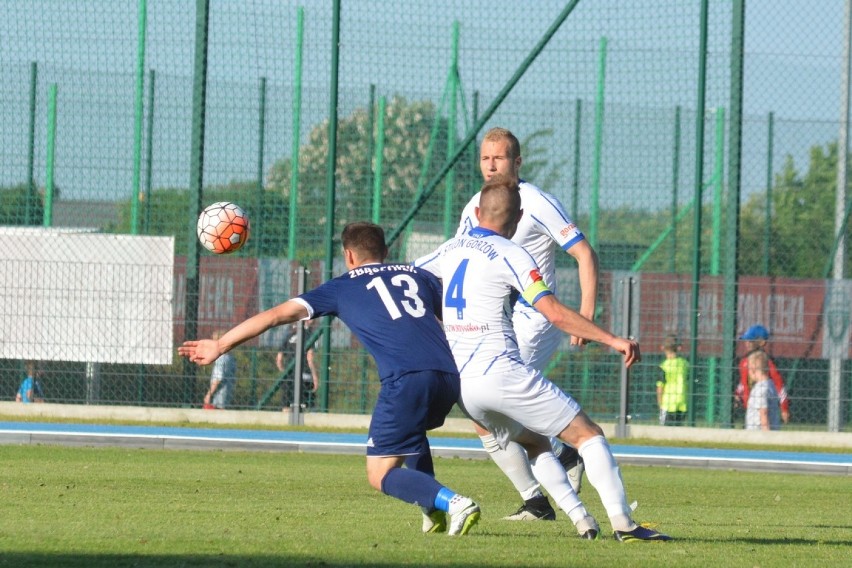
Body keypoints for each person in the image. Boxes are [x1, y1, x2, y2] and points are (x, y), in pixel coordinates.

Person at [179, 222, 480, 536]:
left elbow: (274, 316)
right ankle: (431, 509)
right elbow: (458, 316)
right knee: (412, 433)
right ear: (386, 252)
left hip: (405, 379)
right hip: (448, 374)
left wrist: (221, 344)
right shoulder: (418, 276)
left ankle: (454, 502)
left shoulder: (342, 286)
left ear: (348, 256)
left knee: (379, 474)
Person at [415, 175, 671, 542]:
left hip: (464, 387)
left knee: (535, 442)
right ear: (518, 219)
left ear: (475, 212)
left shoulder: (449, 249)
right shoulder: (512, 253)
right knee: (588, 435)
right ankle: (626, 525)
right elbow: (552, 311)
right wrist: (611, 338)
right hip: (501, 371)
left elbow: (409, 276)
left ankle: (583, 521)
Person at [454, 127, 598, 521]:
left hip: (535, 319)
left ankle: (545, 493)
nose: (491, 165)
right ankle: (553, 470)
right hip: (490, 323)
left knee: (498, 405)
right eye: (485, 158)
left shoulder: (536, 203)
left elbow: (584, 254)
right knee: (479, 413)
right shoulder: (475, 207)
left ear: (517, 162)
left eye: (499, 158)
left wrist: (583, 318)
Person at [735, 324, 789, 425]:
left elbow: (779, 386)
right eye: (746, 340)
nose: (746, 343)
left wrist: (784, 408)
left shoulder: (767, 363)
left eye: (750, 341)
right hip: (750, 409)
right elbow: (743, 382)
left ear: (761, 342)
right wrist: (737, 395)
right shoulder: (744, 362)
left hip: (765, 408)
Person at [276, 321, 320, 410]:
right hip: (305, 376)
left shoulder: (289, 336)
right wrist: (315, 377)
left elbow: (279, 359)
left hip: (289, 376)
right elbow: (310, 358)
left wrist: (284, 372)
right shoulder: (309, 335)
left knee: (286, 405)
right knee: (306, 406)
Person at [745, 351, 782, 431]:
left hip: (758, 435)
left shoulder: (760, 389)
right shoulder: (771, 385)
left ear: (753, 369)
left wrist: (766, 437)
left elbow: (763, 413)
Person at [657, 335, 688, 426]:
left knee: (664, 431)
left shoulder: (663, 366)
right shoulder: (685, 364)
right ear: (679, 348)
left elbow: (660, 386)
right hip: (682, 403)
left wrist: (660, 403)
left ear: (662, 348)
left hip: (667, 403)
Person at [203, 331, 237, 409]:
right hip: (228, 392)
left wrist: (209, 394)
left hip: (218, 395)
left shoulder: (221, 358)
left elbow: (218, 378)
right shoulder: (230, 357)